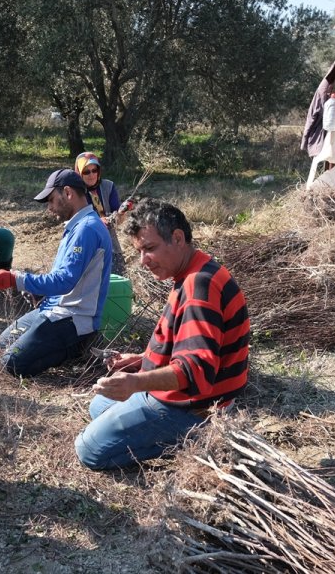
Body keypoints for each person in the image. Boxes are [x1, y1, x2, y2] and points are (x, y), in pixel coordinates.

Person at [74, 198, 250, 470]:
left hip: (194, 407)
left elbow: (196, 371)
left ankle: (195, 439)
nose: (143, 261)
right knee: (99, 407)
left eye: (150, 249)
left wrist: (135, 383)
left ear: (178, 238)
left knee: (87, 449)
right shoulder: (193, 271)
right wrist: (140, 359)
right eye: (139, 251)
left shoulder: (199, 288)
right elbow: (185, 345)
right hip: (182, 397)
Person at [0, 169, 112, 377]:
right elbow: (66, 279)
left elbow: (64, 281)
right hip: (53, 308)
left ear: (68, 193)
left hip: (73, 317)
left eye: (51, 200)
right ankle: (63, 346)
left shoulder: (86, 229)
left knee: (10, 364)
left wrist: (15, 279)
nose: (50, 208)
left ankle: (76, 349)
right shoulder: (77, 226)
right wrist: (40, 291)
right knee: (0, 346)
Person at [74, 152, 129, 275]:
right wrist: (98, 222)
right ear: (79, 173)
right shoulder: (75, 192)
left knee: (119, 282)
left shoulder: (108, 186)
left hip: (111, 245)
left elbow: (118, 220)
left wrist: (120, 214)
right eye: (86, 172)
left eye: (94, 170)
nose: (92, 175)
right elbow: (76, 220)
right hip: (87, 248)